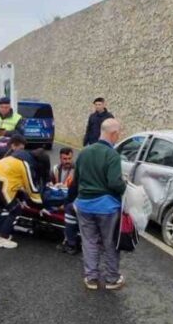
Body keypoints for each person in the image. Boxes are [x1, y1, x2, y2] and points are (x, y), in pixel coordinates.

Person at [73, 118, 126, 290]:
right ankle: (111, 279)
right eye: (118, 133)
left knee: (89, 241)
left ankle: (91, 278)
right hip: (107, 207)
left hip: (84, 205)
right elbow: (114, 184)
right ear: (114, 133)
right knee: (109, 242)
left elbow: (77, 180)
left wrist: (72, 200)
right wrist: (124, 184)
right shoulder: (112, 155)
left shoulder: (84, 152)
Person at [0, 148, 50, 249]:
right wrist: (40, 206)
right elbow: (32, 189)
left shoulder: (19, 155)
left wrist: (23, 198)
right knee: (15, 209)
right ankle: (2, 237)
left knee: (3, 207)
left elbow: (16, 181)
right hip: (0, 182)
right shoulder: (27, 164)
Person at [52, 147, 81, 255]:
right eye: (64, 159)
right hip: (57, 196)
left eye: (69, 158)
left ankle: (70, 241)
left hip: (71, 199)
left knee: (69, 208)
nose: (67, 161)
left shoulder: (77, 170)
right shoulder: (55, 169)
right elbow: (49, 183)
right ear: (60, 158)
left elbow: (75, 191)